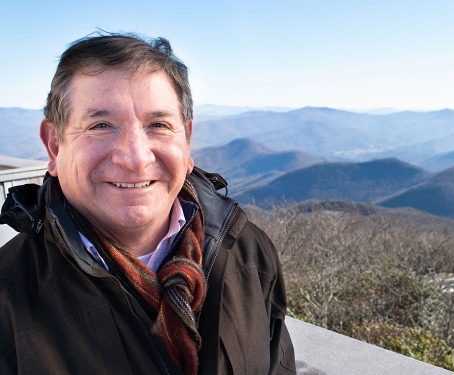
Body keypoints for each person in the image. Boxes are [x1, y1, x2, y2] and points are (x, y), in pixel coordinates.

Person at [0, 33, 295, 375]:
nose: (135, 158)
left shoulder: (246, 249)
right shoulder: (9, 296)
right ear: (54, 146)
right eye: (100, 125)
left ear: (186, 141)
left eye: (158, 125)